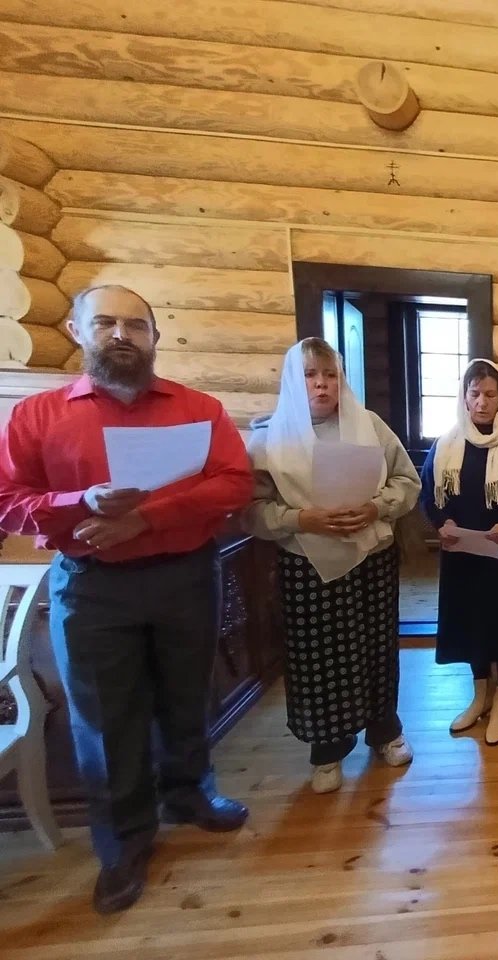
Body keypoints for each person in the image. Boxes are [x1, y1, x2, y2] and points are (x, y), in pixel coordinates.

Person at [0, 285, 254, 914]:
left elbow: (234, 482)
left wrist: (147, 517)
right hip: (93, 584)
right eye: (106, 323)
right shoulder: (37, 415)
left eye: (136, 325)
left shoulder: (199, 409)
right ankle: (123, 844)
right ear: (76, 330)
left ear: (154, 337)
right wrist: (78, 502)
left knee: (187, 694)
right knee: (105, 719)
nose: (121, 335)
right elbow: (8, 500)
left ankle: (190, 794)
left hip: (185, 574)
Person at [244, 338, 421, 794]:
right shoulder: (268, 440)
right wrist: (301, 519)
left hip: (372, 557)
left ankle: (384, 731)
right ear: (293, 380)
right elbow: (252, 511)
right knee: (317, 657)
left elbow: (407, 480)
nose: (322, 384)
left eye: (330, 375)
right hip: (308, 563)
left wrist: (377, 507)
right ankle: (328, 749)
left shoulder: (371, 426)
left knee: (377, 647)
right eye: (310, 375)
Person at [421, 359, 498, 747]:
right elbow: (429, 493)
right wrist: (441, 523)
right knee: (472, 623)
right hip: (463, 554)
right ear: (464, 397)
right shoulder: (447, 443)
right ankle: (479, 697)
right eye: (474, 393)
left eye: (490, 394)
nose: (481, 402)